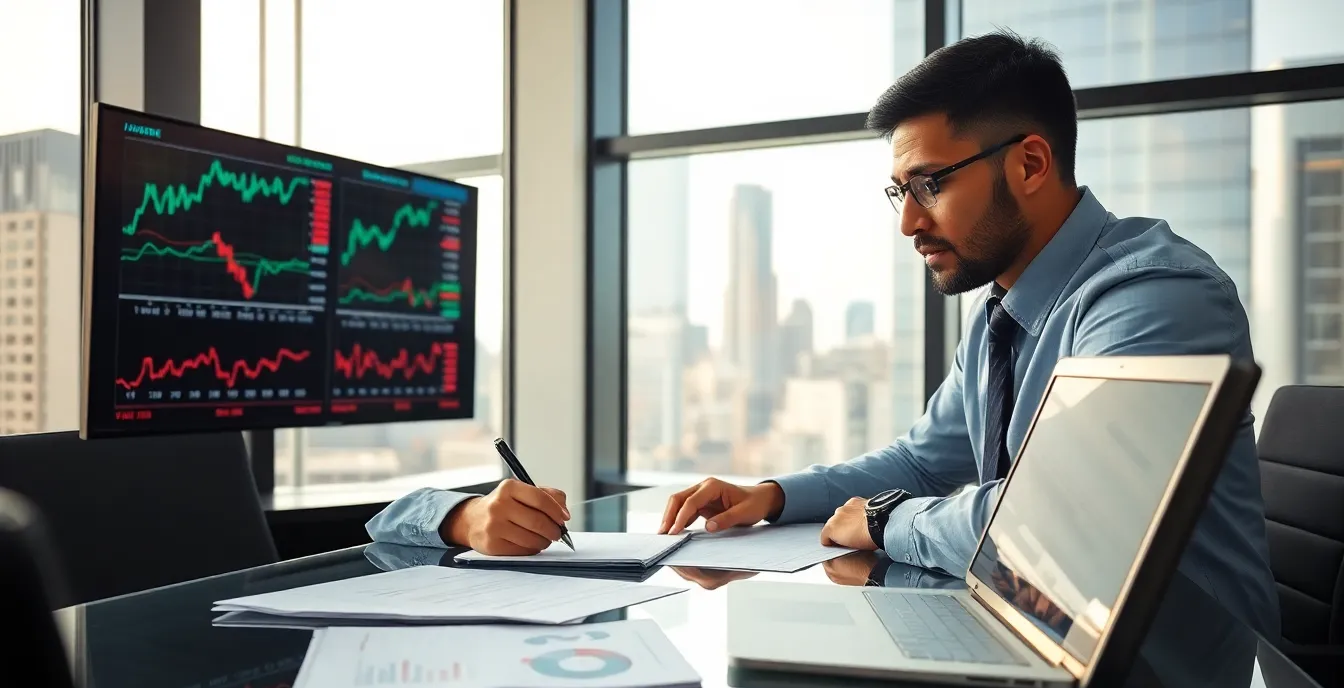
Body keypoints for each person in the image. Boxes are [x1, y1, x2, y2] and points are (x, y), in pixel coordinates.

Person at [364, 31, 1279, 639]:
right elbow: (926, 462)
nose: (908, 222)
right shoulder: (1003, 314)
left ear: (1031, 162)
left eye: (928, 185)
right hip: (1039, 640)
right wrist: (772, 495)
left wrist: (885, 524)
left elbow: (1062, 529)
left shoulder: (1155, 294)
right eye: (899, 192)